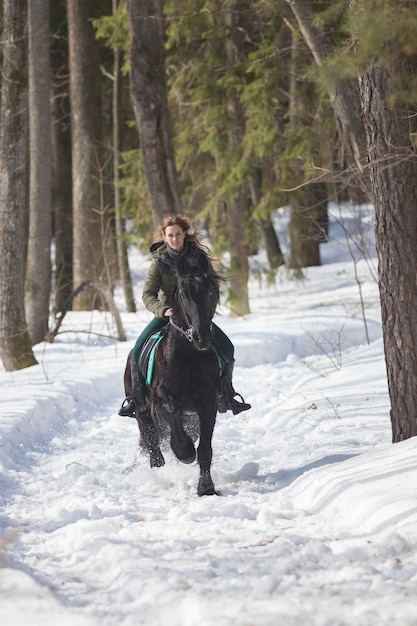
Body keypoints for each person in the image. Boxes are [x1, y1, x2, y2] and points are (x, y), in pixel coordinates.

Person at [118, 214, 251, 418]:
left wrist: (205, 313)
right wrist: (163, 310)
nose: (175, 239)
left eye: (178, 234)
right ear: (164, 236)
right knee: (137, 351)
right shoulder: (159, 263)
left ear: (184, 234)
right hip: (168, 316)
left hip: (197, 317)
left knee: (228, 347)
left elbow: (213, 288)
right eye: (170, 235)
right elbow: (147, 294)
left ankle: (227, 395)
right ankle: (136, 398)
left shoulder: (198, 258)